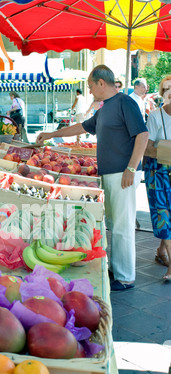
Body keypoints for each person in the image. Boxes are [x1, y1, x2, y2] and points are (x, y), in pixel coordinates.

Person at [36, 65, 149, 291]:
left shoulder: (125, 102)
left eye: (90, 86)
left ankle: (126, 277)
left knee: (122, 225)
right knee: (113, 224)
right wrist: (52, 134)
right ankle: (116, 269)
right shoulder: (105, 109)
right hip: (109, 173)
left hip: (122, 173)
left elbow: (143, 134)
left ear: (101, 82)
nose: (89, 91)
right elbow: (81, 127)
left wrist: (131, 168)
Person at [143, 75, 171, 282]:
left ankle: (162, 251)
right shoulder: (155, 116)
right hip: (158, 172)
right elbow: (147, 147)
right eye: (166, 89)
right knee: (163, 215)